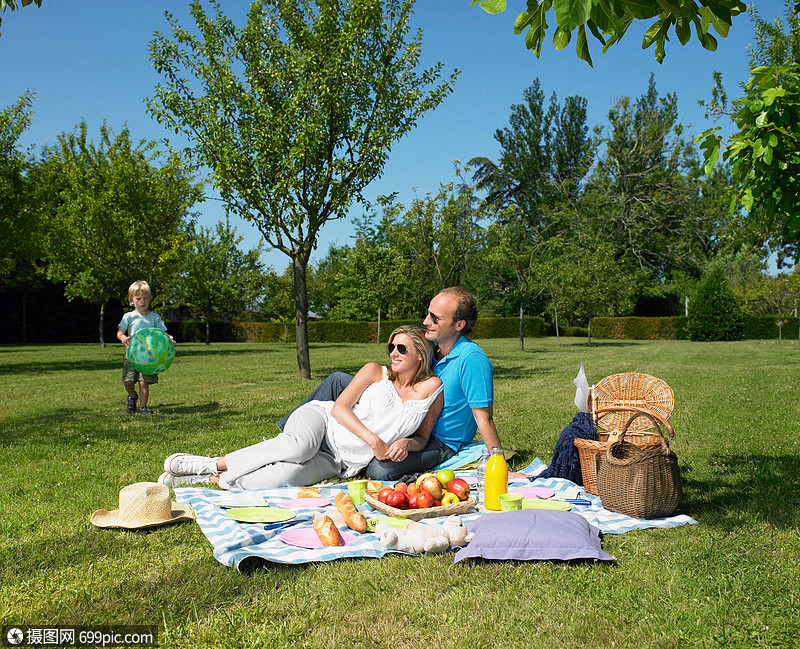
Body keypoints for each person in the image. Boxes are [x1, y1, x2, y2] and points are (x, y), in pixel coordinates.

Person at [158, 326, 443, 489]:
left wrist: (407, 443)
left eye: (401, 349)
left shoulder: (433, 391)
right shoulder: (374, 372)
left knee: (276, 480)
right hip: (321, 422)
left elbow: (422, 438)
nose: (393, 353)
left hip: (340, 462)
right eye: (391, 347)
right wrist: (375, 441)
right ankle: (210, 462)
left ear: (420, 354)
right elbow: (339, 409)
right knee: (298, 449)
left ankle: (208, 479)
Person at [276, 286, 503, 481]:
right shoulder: (433, 349)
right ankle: (288, 437)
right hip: (408, 415)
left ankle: (341, 454)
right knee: (337, 380)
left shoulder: (472, 360)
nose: (426, 322)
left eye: (435, 318)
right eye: (428, 314)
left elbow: (484, 417)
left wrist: (500, 465)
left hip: (438, 440)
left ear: (459, 324)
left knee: (379, 471)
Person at [117, 280, 174, 415]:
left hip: (150, 356)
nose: (142, 301)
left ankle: (143, 407)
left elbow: (162, 333)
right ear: (131, 301)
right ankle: (132, 396)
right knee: (128, 380)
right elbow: (120, 332)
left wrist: (169, 338)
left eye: (145, 298)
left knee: (144, 382)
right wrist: (123, 338)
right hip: (132, 354)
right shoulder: (128, 316)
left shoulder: (154, 317)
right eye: (138, 298)